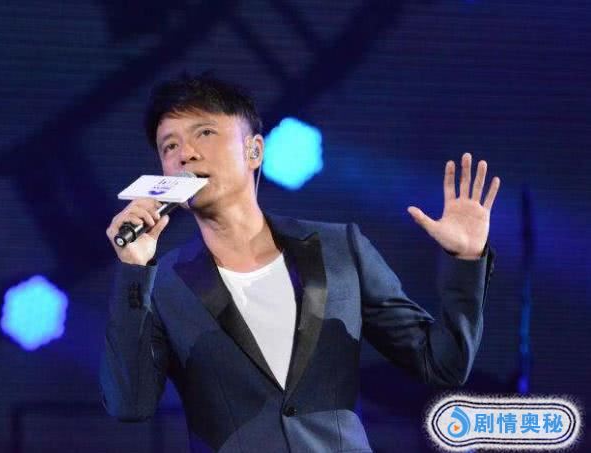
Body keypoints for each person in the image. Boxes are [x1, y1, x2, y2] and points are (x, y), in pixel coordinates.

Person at [100, 74, 499, 452]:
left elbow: (440, 363)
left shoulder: (340, 249)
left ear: (254, 150)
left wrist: (466, 259)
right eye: (169, 146)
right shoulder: (162, 284)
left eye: (204, 133)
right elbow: (129, 404)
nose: (185, 153)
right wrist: (135, 270)